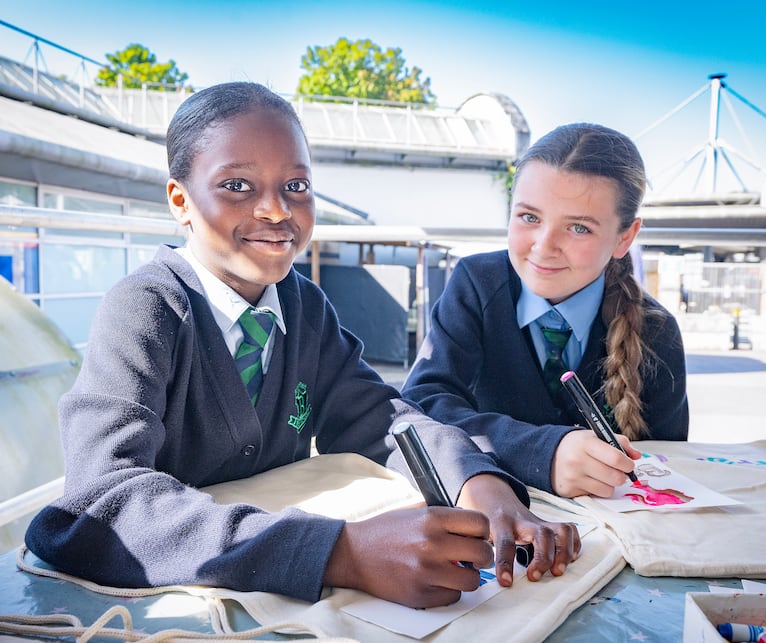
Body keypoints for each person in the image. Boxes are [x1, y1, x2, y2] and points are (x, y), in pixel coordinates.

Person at [24, 82, 580, 609]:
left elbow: (383, 416)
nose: (277, 210)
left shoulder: (303, 307)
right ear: (180, 200)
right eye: (237, 186)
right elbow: (96, 507)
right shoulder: (145, 308)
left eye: (297, 186)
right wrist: (340, 551)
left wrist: (478, 483)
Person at [402, 122, 688, 499]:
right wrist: (544, 453)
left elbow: (667, 460)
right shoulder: (475, 284)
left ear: (625, 237)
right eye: (530, 217)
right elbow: (421, 403)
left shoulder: (657, 331)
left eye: (579, 228)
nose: (544, 246)